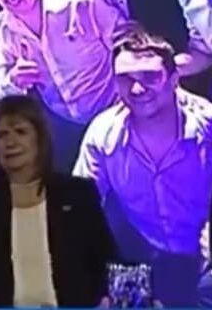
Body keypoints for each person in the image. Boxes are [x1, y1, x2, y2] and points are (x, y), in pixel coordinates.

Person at [74, 28, 212, 307]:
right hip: (141, 250)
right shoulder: (103, 134)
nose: (137, 89)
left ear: (174, 79)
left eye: (150, 77)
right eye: (125, 79)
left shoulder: (207, 125)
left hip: (203, 253)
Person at [0, 95, 115, 307]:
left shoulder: (78, 195)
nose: (10, 142)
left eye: (20, 132)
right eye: (1, 135)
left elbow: (107, 262)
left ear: (39, 138)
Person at [0, 0, 120, 171]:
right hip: (58, 126)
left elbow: (127, 45)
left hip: (112, 113)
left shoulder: (82, 2)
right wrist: (14, 81)